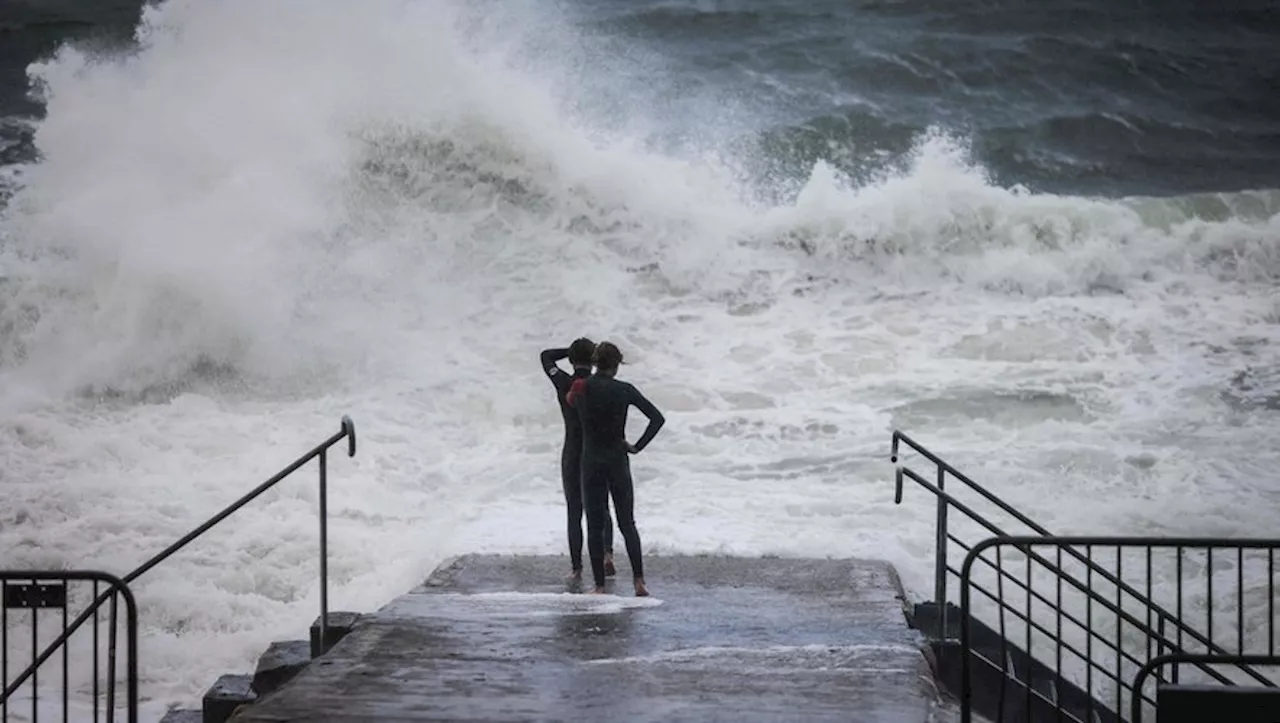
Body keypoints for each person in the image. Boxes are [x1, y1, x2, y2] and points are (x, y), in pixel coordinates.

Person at [566, 341, 664, 596]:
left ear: (596, 362)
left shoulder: (582, 387)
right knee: (627, 523)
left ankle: (599, 586)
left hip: (591, 461)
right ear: (617, 364)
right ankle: (639, 581)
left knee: (595, 525)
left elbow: (571, 405)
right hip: (618, 459)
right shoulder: (625, 390)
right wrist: (636, 446)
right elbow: (657, 418)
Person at [541, 339, 615, 582]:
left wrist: (571, 353)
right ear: (594, 360)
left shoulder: (564, 382)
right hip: (596, 449)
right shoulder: (597, 386)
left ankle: (576, 568)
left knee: (575, 510)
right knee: (601, 506)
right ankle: (607, 555)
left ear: (572, 360)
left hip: (573, 450)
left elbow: (546, 356)